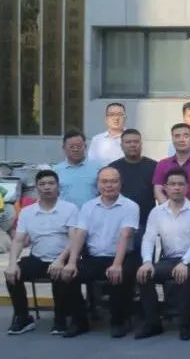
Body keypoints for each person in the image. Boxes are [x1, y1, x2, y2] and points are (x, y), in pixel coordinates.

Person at [62, 167, 141, 338]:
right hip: (94, 257)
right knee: (68, 275)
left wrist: (117, 264)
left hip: (121, 256)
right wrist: (72, 262)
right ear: (97, 184)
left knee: (119, 275)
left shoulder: (130, 206)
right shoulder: (88, 206)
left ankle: (119, 321)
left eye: (113, 181)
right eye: (104, 181)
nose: (109, 185)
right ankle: (79, 321)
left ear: (120, 183)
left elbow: (125, 235)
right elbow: (80, 234)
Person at [4, 170, 80, 336]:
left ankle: (60, 319)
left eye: (51, 183)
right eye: (42, 184)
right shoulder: (27, 212)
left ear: (58, 186)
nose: (47, 187)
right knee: (12, 274)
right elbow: (18, 240)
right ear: (37, 188)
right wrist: (12, 264)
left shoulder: (70, 209)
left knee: (60, 274)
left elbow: (74, 239)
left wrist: (61, 260)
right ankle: (23, 318)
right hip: (37, 258)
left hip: (62, 258)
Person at [135, 168, 190, 341]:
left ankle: (185, 325)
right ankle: (153, 323)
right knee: (144, 275)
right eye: (172, 184)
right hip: (169, 259)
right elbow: (148, 239)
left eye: (181, 184)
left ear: (187, 187)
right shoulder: (157, 212)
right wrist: (147, 261)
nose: (176, 188)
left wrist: (184, 262)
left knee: (184, 274)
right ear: (165, 188)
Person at [153, 123, 190, 221]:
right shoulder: (162, 164)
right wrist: (170, 211)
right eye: (177, 136)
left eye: (186, 136)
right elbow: (158, 191)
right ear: (172, 140)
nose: (181, 139)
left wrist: (184, 212)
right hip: (166, 217)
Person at [108, 129, 158, 228]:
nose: (132, 145)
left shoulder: (154, 166)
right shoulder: (113, 168)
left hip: (147, 223)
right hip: (120, 223)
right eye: (128, 142)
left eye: (136, 142)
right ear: (121, 145)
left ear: (141, 144)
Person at [54, 130, 101, 208]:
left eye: (79, 146)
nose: (75, 150)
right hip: (66, 214)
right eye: (71, 147)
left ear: (85, 147)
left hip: (92, 213)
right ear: (64, 148)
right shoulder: (56, 171)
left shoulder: (98, 169)